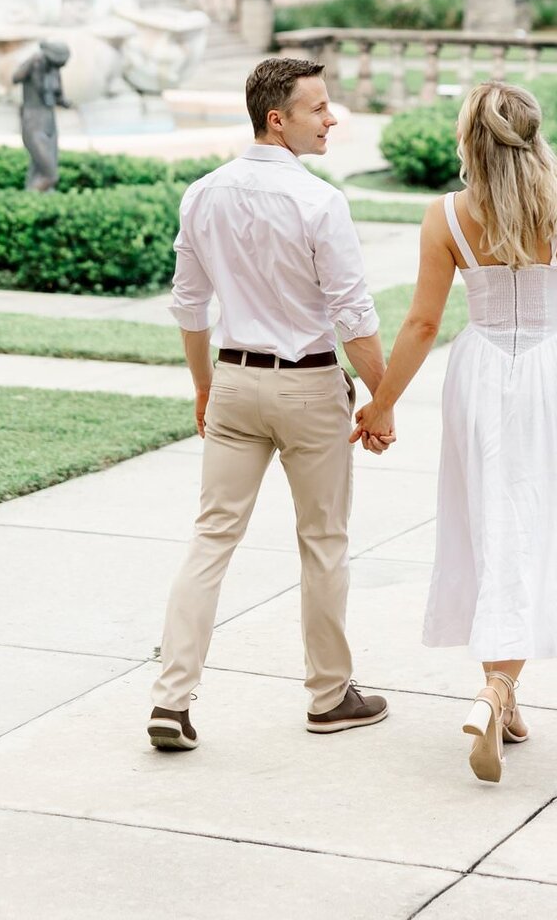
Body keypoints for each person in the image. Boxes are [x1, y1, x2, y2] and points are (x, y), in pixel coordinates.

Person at [354, 80, 557, 784]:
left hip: (479, 374)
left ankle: (501, 699)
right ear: (536, 134)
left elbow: (421, 323)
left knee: (489, 522)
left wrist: (383, 403)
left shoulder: (447, 215)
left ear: (469, 141)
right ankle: (498, 690)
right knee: (537, 526)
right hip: (554, 374)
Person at [149, 56, 393, 753]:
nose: (332, 118)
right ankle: (328, 696)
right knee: (323, 543)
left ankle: (171, 698)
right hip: (310, 386)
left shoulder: (202, 194)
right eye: (319, 108)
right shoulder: (320, 202)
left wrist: (204, 384)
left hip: (233, 380)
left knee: (210, 539)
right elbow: (353, 316)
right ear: (276, 118)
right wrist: (382, 401)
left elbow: (190, 306)